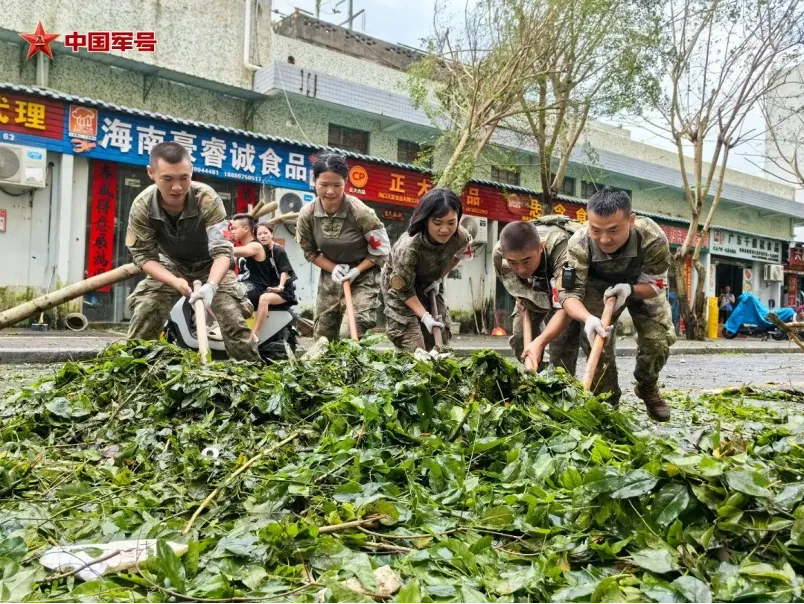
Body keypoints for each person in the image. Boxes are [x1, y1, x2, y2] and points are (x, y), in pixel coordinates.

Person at [526, 188, 676, 422]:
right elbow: (569, 294)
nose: (605, 239)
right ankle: (607, 406)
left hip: (640, 285)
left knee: (658, 340)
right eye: (597, 230)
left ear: (631, 221)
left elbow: (656, 285)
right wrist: (589, 319)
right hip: (597, 286)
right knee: (598, 342)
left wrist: (629, 290)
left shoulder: (652, 238)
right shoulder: (580, 243)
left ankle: (647, 385)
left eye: (614, 230)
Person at [125, 142, 259, 361]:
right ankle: (135, 371)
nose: (177, 187)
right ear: (151, 173)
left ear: (191, 172)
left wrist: (212, 286)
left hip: (212, 266)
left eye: (184, 178)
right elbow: (143, 256)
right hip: (171, 265)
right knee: (145, 310)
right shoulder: (143, 206)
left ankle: (252, 380)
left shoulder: (207, 198)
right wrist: (175, 281)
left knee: (233, 320)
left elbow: (223, 252)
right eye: (167, 179)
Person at [296, 153, 390, 340]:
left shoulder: (362, 213)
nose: (330, 191)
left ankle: (354, 367)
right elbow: (310, 252)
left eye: (337, 185)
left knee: (350, 332)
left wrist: (356, 271)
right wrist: (334, 268)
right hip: (332, 275)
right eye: (323, 185)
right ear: (314, 181)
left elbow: (382, 251)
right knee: (323, 336)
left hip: (363, 274)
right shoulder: (307, 215)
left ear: (345, 182)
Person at [381, 188, 473, 351]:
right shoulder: (409, 248)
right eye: (438, 223)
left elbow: (458, 255)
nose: (445, 230)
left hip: (429, 281)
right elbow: (404, 290)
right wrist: (424, 316)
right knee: (415, 347)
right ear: (425, 220)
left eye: (451, 222)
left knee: (439, 338)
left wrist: (439, 277)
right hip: (400, 288)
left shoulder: (460, 236)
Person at [495, 218, 582, 372]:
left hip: (567, 293)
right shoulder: (499, 253)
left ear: (541, 247)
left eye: (527, 261)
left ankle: (560, 387)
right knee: (521, 340)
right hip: (536, 291)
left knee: (562, 346)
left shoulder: (566, 251)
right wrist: (521, 297)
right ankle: (537, 380)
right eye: (513, 262)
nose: (521, 269)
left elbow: (566, 306)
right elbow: (514, 283)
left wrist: (540, 342)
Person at [231, 216, 297, 342]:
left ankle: (255, 333)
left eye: (266, 233)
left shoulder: (278, 250)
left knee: (264, 298)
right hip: (271, 287)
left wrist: (280, 286)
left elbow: (284, 270)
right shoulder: (264, 249)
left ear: (271, 234)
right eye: (259, 234)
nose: (263, 236)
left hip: (284, 290)